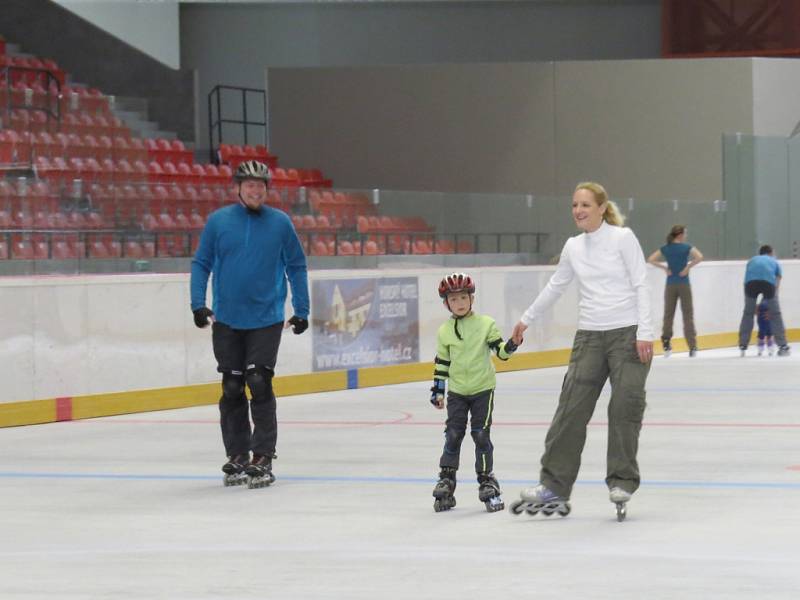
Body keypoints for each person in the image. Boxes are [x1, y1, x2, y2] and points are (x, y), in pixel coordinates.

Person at [509, 181, 654, 518]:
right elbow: (555, 286)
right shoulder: (574, 247)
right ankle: (554, 486)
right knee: (570, 410)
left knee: (624, 408)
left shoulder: (622, 238)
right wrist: (526, 319)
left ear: (602, 208)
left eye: (585, 205)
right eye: (574, 205)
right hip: (589, 337)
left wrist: (645, 332)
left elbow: (640, 283)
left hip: (628, 335)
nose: (578, 211)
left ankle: (622, 481)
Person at [190, 159, 310, 487]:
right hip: (227, 317)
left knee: (258, 381)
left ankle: (263, 455)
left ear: (267, 191)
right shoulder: (218, 222)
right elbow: (201, 263)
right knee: (231, 386)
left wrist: (302, 309)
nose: (256, 190)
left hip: (266, 318)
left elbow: (296, 266)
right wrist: (198, 304)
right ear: (238, 188)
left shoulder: (280, 223)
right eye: (250, 185)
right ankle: (237, 454)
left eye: (261, 186)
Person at [429, 272, 518, 513]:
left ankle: (487, 479)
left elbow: (500, 352)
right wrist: (438, 390)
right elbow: (442, 363)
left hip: (482, 389)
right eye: (454, 299)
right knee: (453, 434)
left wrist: (512, 344)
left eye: (463, 298)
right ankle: (447, 478)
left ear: (472, 299)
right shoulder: (444, 331)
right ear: (446, 303)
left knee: (480, 434)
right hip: (457, 391)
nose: (460, 303)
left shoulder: (485, 324)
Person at [647, 225, 703, 357]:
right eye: (685, 233)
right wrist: (688, 267)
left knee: (668, 314)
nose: (686, 236)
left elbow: (650, 259)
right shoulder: (686, 247)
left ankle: (666, 344)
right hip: (684, 284)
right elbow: (699, 257)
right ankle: (692, 346)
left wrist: (665, 268)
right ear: (680, 235)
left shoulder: (666, 248)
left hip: (670, 284)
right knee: (688, 315)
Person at [738, 245, 790, 357]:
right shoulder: (773, 261)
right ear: (770, 253)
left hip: (750, 284)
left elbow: (746, 279)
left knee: (748, 313)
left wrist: (750, 302)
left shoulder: (752, 260)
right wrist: (772, 301)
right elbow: (777, 280)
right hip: (768, 284)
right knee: (776, 314)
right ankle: (783, 345)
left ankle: (743, 344)